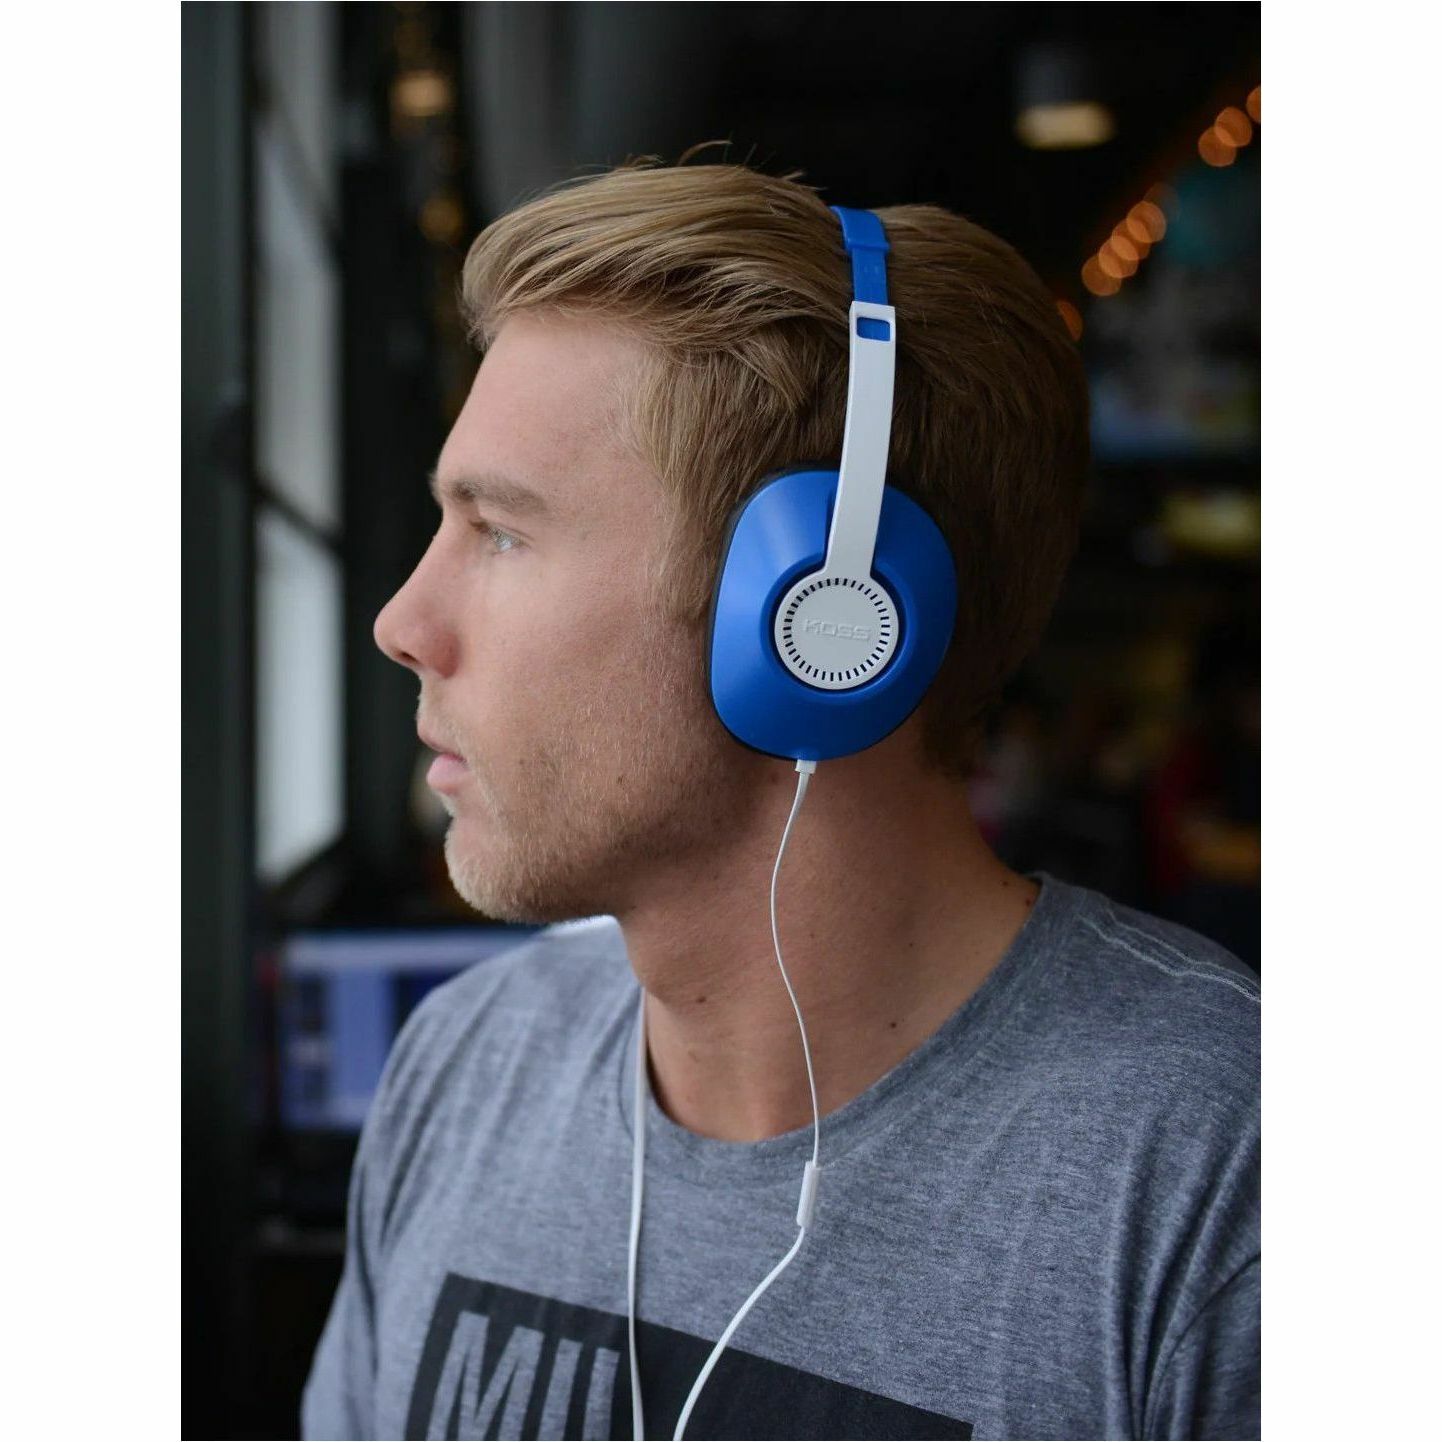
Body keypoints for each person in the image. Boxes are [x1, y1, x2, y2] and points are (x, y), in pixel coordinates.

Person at [302, 153, 1259, 1441]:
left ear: (817, 618)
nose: (402, 623)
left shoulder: (1223, 1177)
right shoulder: (467, 1067)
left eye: (504, 532)